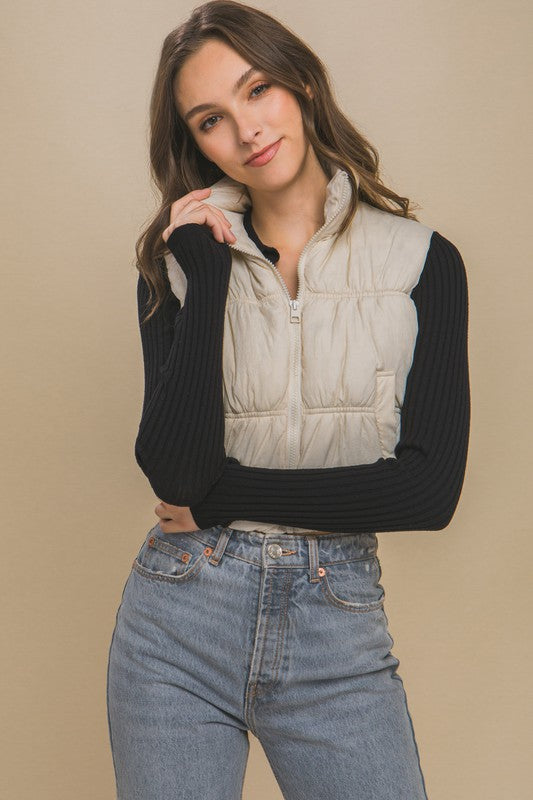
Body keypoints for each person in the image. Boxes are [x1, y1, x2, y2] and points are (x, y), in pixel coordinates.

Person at [106, 2, 470, 798]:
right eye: (210, 119)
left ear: (301, 83)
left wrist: (221, 498)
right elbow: (174, 473)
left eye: (258, 89)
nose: (245, 131)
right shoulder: (176, 267)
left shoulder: (423, 264)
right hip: (176, 619)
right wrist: (204, 281)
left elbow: (427, 490)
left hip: (334, 621)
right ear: (195, 143)